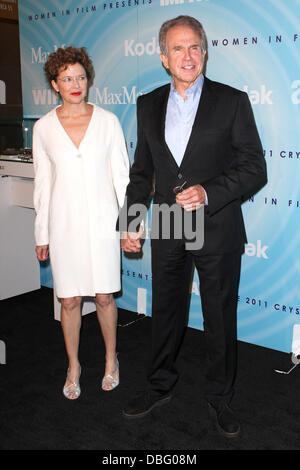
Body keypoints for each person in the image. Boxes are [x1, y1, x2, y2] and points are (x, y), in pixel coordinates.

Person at [119, 16, 267, 437]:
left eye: (194, 47)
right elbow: (141, 172)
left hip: (216, 222)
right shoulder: (147, 104)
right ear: (163, 57)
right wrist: (131, 221)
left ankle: (220, 398)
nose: (188, 56)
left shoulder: (232, 101)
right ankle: (158, 385)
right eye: (178, 49)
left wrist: (209, 191)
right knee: (166, 309)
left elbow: (255, 168)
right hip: (167, 222)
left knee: (219, 315)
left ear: (204, 52)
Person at [33, 46, 129, 399]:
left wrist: (130, 226)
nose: (76, 84)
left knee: (104, 296)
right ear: (55, 84)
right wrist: (41, 232)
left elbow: (123, 179)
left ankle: (110, 359)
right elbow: (43, 185)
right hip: (63, 226)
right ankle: (73, 365)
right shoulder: (43, 128)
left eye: (81, 77)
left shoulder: (108, 122)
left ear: (88, 79)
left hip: (104, 224)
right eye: (67, 79)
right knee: (70, 300)